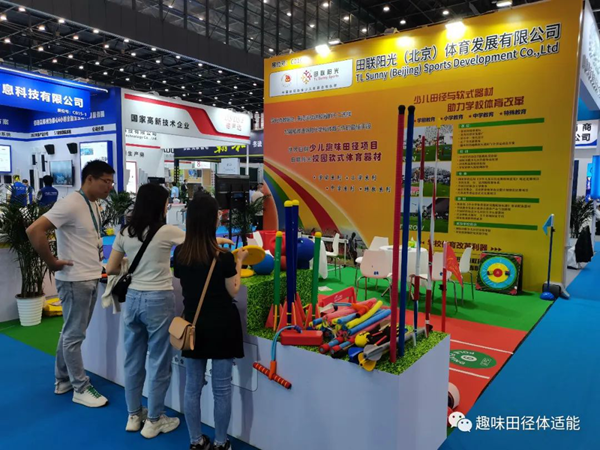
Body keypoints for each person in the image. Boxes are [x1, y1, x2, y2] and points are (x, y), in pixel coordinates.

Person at [26, 160, 115, 408]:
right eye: (105, 181)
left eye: (111, 182)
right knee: (74, 335)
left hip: (89, 276)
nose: (109, 187)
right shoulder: (70, 203)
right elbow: (34, 230)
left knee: (71, 332)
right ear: (89, 179)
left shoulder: (93, 203)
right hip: (76, 280)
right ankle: (80, 387)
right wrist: (52, 262)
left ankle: (63, 380)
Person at [106, 183, 185, 438]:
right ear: (160, 205)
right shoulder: (167, 231)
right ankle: (154, 420)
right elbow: (200, 245)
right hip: (158, 299)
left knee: (133, 359)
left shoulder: (125, 231)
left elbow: (111, 268)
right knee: (159, 361)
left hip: (133, 299)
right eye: (166, 202)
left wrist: (132, 264)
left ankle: (133, 415)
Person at [174, 193, 248, 450]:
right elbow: (233, 290)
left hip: (193, 327)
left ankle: (196, 441)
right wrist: (239, 262)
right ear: (212, 220)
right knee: (222, 389)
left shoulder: (181, 253)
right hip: (222, 327)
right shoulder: (224, 258)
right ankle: (220, 442)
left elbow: (193, 269)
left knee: (192, 387)